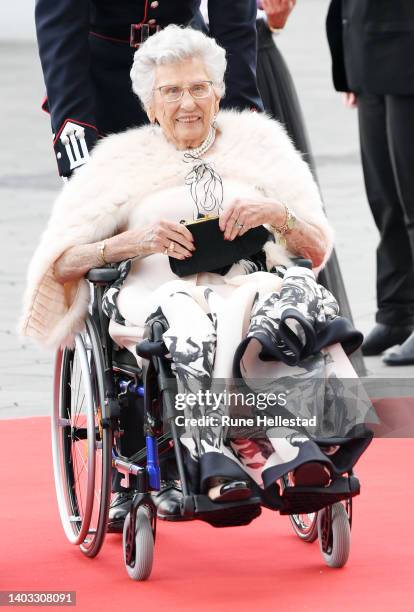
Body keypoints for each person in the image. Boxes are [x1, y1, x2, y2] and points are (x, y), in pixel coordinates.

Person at [22, 26, 371, 519]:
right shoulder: (118, 161)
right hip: (157, 292)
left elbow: (315, 249)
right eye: (171, 91)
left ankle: (306, 446)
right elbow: (59, 261)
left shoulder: (260, 144)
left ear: (219, 92)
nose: (188, 103)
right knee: (189, 311)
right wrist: (130, 242)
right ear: (149, 104)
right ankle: (222, 454)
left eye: (199, 87)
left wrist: (275, 214)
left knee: (290, 294)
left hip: (246, 286)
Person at [256, 0, 365, 376]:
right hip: (164, 62)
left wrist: (275, 17)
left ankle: (293, 347)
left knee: (285, 209)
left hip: (247, 56)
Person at [35, 0, 262, 178]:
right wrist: (76, 132)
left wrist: (239, 126)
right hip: (105, 85)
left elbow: (235, 27)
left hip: (188, 71)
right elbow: (60, 33)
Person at [327, 0, 414, 362]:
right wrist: (349, 63)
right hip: (366, 46)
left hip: (407, 49)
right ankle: (397, 313)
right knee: (386, 198)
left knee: (412, 199)